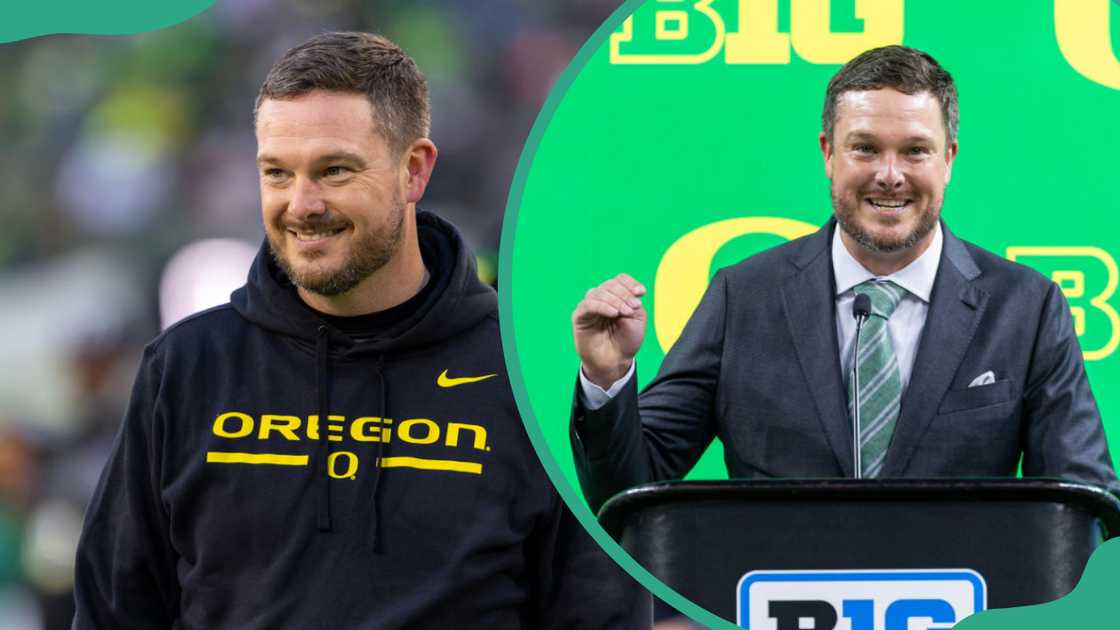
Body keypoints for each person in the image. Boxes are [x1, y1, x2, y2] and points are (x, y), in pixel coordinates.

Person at [73, 31, 647, 628]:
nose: (301, 204)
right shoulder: (186, 367)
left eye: (334, 170)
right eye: (276, 172)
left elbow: (601, 611)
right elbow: (112, 610)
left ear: (414, 171)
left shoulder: (530, 373)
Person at [570, 45, 1118, 512]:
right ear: (828, 154)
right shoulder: (743, 296)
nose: (889, 174)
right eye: (865, 148)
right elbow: (629, 493)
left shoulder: (1025, 306)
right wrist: (606, 379)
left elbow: (1083, 504)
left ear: (948, 160)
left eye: (915, 151)